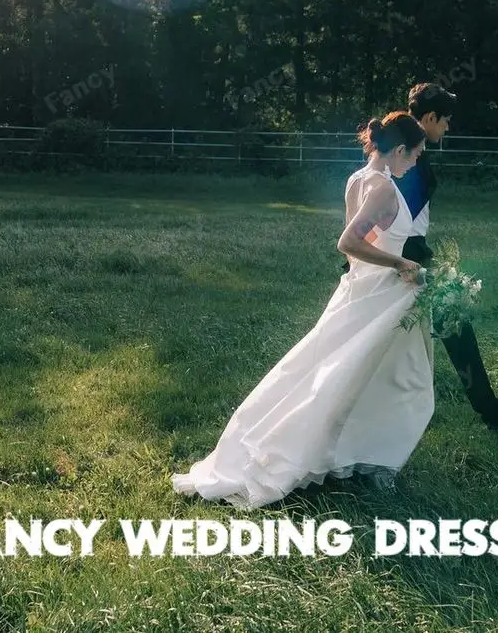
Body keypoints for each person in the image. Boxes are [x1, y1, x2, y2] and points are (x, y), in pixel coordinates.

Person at [172, 112, 435, 508]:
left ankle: (362, 456)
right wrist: (401, 265)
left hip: (364, 289)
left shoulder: (358, 180)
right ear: (399, 150)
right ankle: (331, 454)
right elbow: (349, 242)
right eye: (415, 154)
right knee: (380, 380)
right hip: (378, 293)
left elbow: (363, 246)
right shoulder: (382, 188)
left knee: (362, 375)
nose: (416, 162)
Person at [396, 81, 498, 430]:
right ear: (429, 117)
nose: (447, 127)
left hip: (410, 252)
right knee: (450, 321)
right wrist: (410, 263)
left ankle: (490, 408)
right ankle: (491, 409)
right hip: (405, 256)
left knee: (451, 322)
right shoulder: (412, 160)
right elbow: (393, 220)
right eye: (444, 120)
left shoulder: (407, 151)